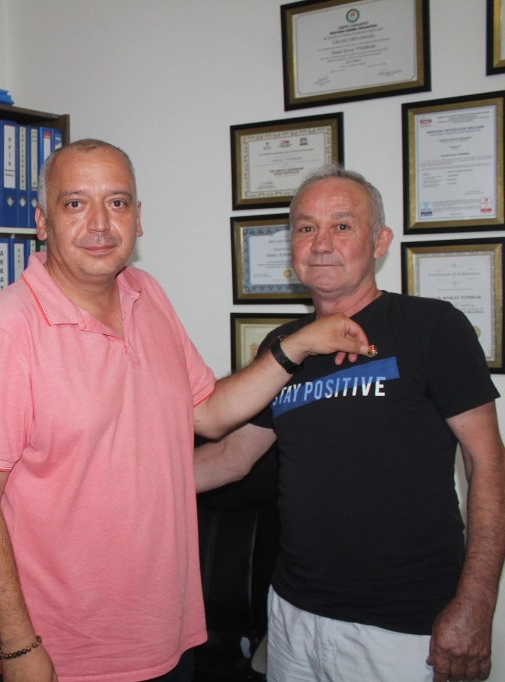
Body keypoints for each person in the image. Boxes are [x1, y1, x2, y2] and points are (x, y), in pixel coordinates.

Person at [0, 140, 373, 682]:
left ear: (138, 218)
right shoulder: (6, 330)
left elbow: (208, 413)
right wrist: (17, 646)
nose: (100, 223)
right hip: (69, 653)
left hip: (167, 633)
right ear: (42, 222)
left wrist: (298, 345)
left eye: (117, 203)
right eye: (75, 203)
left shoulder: (146, 294)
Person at [195, 165, 505, 682]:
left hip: (403, 626)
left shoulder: (432, 326)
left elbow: (488, 463)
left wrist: (476, 603)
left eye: (342, 226)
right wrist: (121, 483)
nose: (321, 244)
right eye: (306, 227)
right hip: (293, 614)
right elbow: (231, 457)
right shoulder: (285, 346)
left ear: (379, 242)